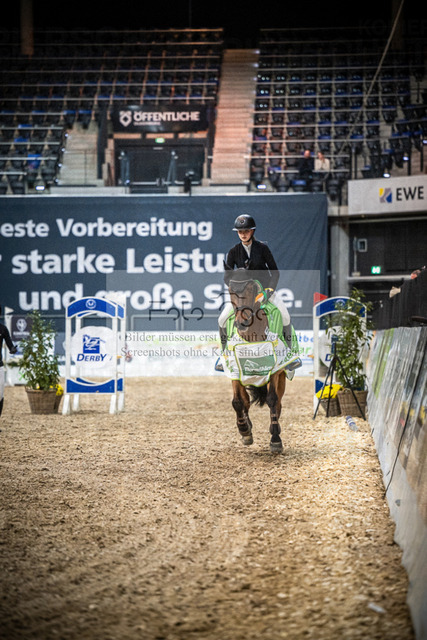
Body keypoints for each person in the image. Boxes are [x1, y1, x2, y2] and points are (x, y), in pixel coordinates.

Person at [216, 214, 301, 371]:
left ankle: (289, 356)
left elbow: (275, 272)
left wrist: (269, 291)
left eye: (246, 231)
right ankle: (224, 356)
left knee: (285, 316)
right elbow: (227, 277)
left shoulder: (262, 248)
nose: (243, 234)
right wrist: (236, 289)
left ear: (252, 231)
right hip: (243, 295)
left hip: (264, 290)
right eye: (240, 231)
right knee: (222, 319)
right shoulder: (233, 251)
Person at [0, 306, 18, 417]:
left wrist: (12, 349)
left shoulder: (3, 329)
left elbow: (9, 344)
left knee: (0, 395)